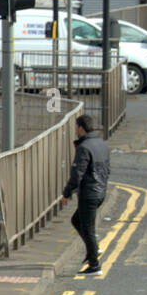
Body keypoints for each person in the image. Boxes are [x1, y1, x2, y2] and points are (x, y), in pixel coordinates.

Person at [60, 115, 110, 276]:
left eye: (76, 127)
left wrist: (67, 193)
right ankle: (93, 249)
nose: (75, 130)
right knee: (77, 220)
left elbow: (77, 173)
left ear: (81, 128)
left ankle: (95, 265)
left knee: (88, 228)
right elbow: (107, 170)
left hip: (89, 193)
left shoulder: (84, 147)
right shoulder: (101, 145)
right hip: (100, 191)